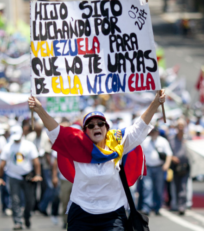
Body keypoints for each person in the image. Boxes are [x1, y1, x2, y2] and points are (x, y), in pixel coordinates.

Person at [27, 90, 166, 231]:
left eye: (100, 123)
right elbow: (56, 131)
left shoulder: (117, 141)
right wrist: (39, 109)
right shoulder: (77, 144)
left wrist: (155, 103)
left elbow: (139, 127)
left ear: (106, 128)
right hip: (82, 213)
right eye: (91, 125)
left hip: (113, 214)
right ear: (85, 131)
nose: (96, 127)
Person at [0, 125, 42, 230]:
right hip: (13, 176)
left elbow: (36, 162)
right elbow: (2, 164)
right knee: (15, 199)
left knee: (30, 200)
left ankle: (26, 217)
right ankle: (18, 221)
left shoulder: (29, 145)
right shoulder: (8, 146)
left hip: (27, 176)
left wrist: (38, 174)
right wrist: (0, 177)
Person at [138, 127, 172, 216]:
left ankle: (157, 207)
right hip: (148, 167)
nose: (154, 133)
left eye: (155, 131)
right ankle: (146, 207)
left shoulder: (163, 141)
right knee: (147, 187)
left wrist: (167, 164)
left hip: (159, 168)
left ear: (158, 132)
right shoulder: (145, 141)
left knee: (158, 188)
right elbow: (140, 154)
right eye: (152, 131)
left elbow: (169, 154)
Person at [169, 119, 191, 215]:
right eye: (179, 126)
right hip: (175, 166)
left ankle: (182, 206)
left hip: (186, 166)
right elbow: (168, 151)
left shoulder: (188, 138)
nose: (181, 128)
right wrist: (172, 158)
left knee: (183, 186)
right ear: (177, 128)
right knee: (176, 186)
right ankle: (176, 204)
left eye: (182, 126)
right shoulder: (171, 139)